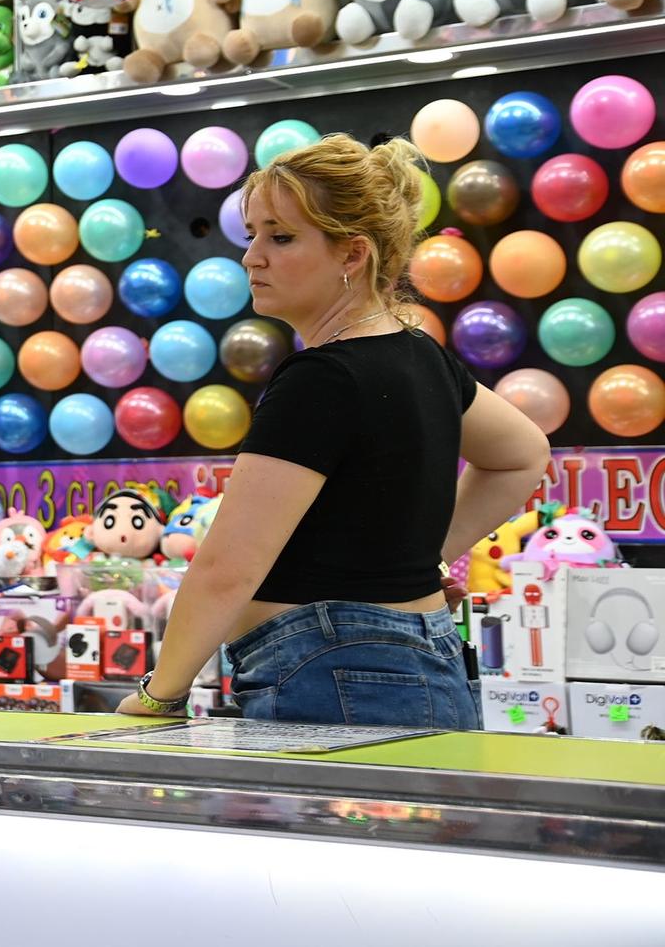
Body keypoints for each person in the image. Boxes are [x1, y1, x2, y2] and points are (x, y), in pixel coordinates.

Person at [120, 135, 549, 728]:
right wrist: (418, 563)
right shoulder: (422, 355)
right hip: (412, 666)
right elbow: (523, 455)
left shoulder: (322, 378)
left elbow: (228, 566)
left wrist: (157, 695)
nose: (252, 257)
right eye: (253, 236)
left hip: (333, 678)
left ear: (352, 255)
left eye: (282, 236)